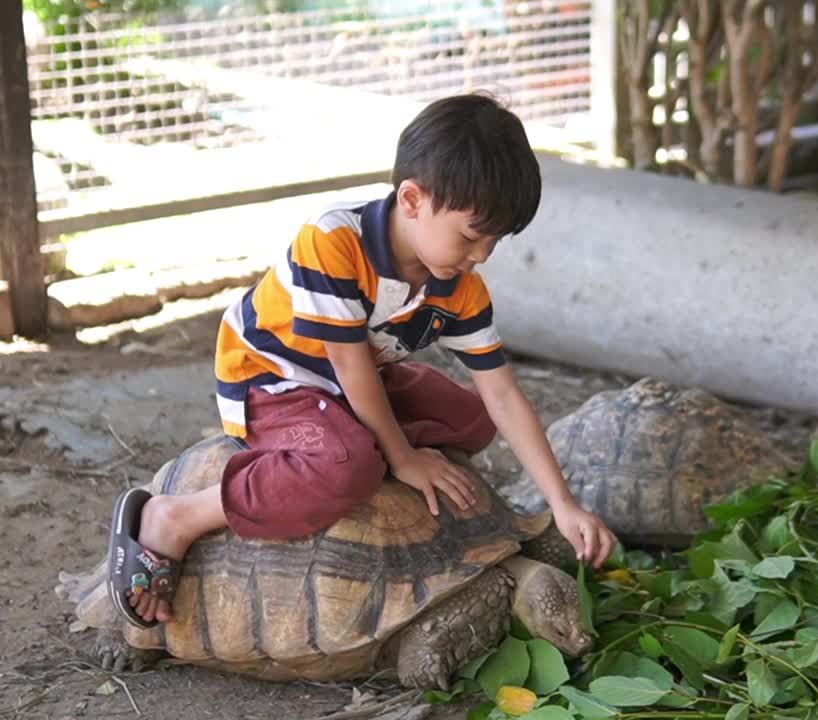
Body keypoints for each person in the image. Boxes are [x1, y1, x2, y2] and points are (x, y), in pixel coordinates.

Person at [106, 92, 617, 629]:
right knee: (349, 468)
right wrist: (403, 457)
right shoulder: (333, 241)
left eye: (495, 240)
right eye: (472, 235)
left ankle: (364, 436)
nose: (483, 255)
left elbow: (504, 394)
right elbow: (350, 368)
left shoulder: (459, 284)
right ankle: (176, 517)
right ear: (414, 199)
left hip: (355, 379)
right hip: (272, 379)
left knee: (472, 417)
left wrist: (562, 503)